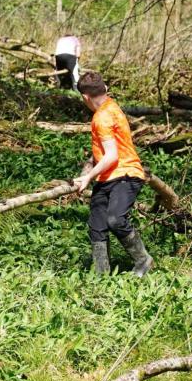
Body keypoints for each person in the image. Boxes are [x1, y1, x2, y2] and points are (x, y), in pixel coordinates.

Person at [72, 71, 153, 276]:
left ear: (85, 97)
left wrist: (88, 178)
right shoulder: (110, 105)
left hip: (126, 175)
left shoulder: (102, 117)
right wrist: (90, 172)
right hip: (107, 177)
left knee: (115, 219)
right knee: (97, 226)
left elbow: (111, 156)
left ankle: (143, 260)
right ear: (105, 89)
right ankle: (102, 276)